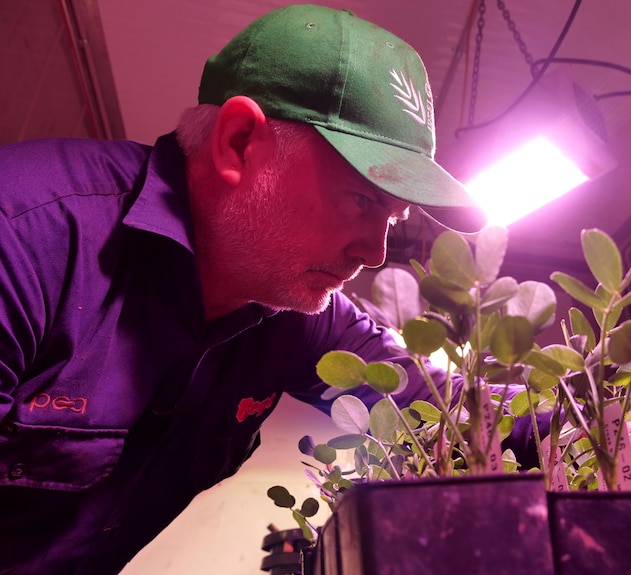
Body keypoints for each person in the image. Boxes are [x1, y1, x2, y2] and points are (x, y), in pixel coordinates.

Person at [0, 5, 486, 574]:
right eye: (362, 200)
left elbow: (439, 404)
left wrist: (602, 424)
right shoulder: (24, 237)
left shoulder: (299, 314)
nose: (375, 253)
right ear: (237, 143)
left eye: (394, 220)